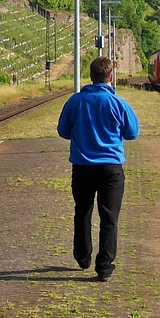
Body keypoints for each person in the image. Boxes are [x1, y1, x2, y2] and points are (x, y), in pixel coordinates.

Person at [57, 56, 140, 282]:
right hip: (111, 168)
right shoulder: (119, 104)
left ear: (91, 77)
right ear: (110, 77)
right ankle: (104, 267)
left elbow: (63, 131)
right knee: (109, 217)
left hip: (82, 167)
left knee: (82, 211)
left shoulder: (75, 102)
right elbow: (132, 132)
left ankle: (82, 256)